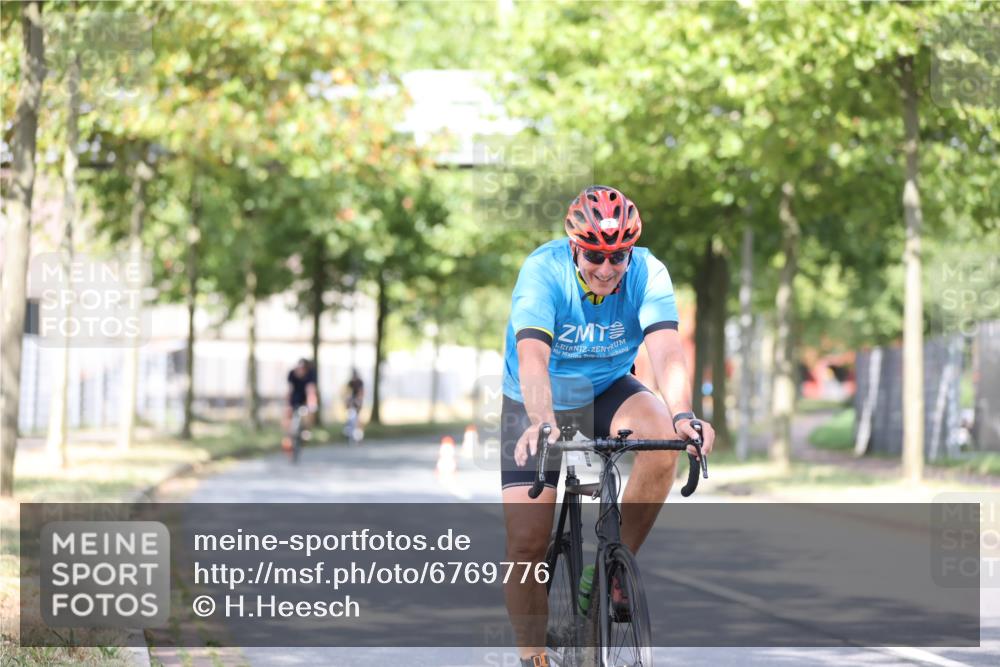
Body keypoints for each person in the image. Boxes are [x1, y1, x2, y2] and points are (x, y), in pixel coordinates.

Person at [500, 185, 716, 667]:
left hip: (607, 385)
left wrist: (683, 415)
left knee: (662, 441)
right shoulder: (543, 270)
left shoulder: (647, 272)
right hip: (539, 396)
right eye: (594, 254)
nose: (606, 267)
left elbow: (665, 350)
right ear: (575, 246)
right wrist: (542, 423)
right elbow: (532, 356)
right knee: (527, 544)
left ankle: (610, 572)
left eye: (617, 256)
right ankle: (532, 657)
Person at [282, 358, 318, 452]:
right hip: (294, 397)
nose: (301, 371)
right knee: (288, 415)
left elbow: (310, 389)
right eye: (299, 368)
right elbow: (290, 390)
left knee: (308, 413)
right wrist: (288, 405)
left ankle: (306, 431)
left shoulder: (311, 374)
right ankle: (289, 437)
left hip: (304, 398)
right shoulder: (292, 374)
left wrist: (312, 404)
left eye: (303, 369)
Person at [343, 369, 364, 443]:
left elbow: (361, 393)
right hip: (352, 401)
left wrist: (359, 402)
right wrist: (348, 402)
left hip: (357, 401)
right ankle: (349, 434)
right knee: (350, 418)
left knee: (358, 420)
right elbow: (348, 393)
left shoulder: (360, 382)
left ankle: (359, 436)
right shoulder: (350, 382)